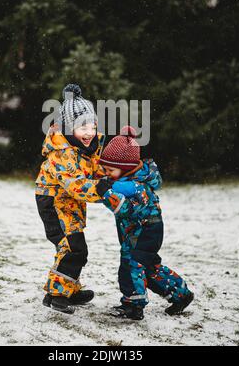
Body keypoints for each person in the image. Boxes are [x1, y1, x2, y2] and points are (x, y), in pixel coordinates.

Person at [96, 125, 194, 320]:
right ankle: (181, 294)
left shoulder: (136, 187)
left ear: (126, 169)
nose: (106, 173)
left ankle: (133, 304)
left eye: (110, 170)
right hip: (140, 230)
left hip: (146, 231)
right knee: (149, 267)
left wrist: (106, 194)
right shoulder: (127, 182)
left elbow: (125, 210)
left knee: (131, 263)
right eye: (104, 169)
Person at [35, 84, 106, 314]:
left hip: (70, 203)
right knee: (73, 248)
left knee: (70, 248)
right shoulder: (62, 153)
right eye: (81, 127)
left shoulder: (88, 147)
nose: (88, 132)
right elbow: (76, 185)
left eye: (92, 125)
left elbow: (97, 170)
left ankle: (66, 289)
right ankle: (58, 294)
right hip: (53, 201)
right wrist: (102, 189)